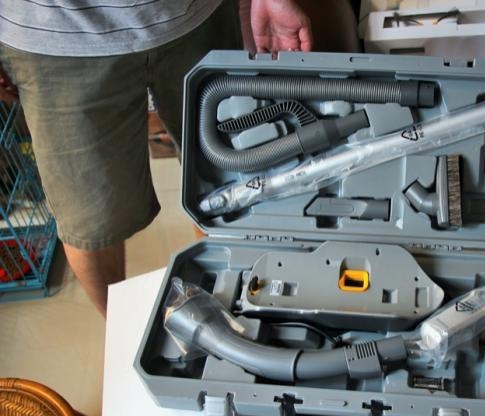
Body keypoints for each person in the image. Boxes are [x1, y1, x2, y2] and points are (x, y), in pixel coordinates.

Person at [0, 0, 313, 316]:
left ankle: (232, 307)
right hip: (55, 34)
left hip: (196, 15)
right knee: (92, 221)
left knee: (231, 182)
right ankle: (123, 329)